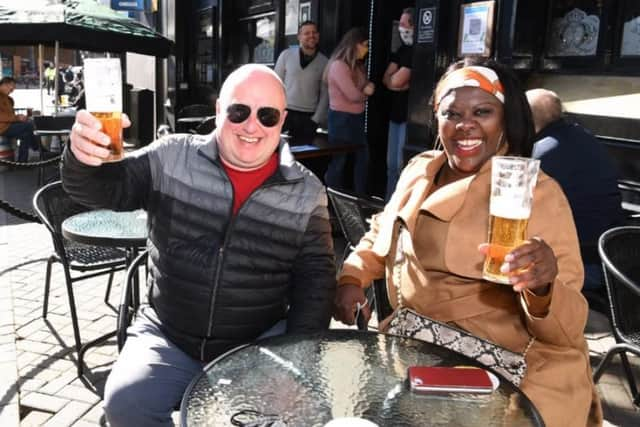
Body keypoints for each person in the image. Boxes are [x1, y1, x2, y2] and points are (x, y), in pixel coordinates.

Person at [61, 64, 337, 426]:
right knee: (125, 404)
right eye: (239, 111)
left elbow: (315, 280)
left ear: (282, 120)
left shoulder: (306, 191)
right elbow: (102, 188)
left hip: (256, 340)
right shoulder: (172, 157)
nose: (251, 126)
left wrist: (297, 359)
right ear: (219, 109)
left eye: (267, 115)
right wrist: (82, 158)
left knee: (294, 413)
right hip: (169, 332)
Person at [333, 58, 602, 426]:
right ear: (436, 118)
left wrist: (542, 288)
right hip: (414, 349)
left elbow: (568, 327)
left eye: (482, 111)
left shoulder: (535, 192)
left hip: (509, 370)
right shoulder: (420, 169)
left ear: (505, 119)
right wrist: (352, 277)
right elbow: (382, 230)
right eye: (452, 113)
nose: (465, 125)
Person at [526, 88, 624, 292]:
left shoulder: (542, 155)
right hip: (612, 261)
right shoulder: (586, 138)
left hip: (581, 267)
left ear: (526, 118)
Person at [324, 27, 375, 195]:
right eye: (365, 45)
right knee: (339, 161)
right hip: (341, 119)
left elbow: (367, 86)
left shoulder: (357, 66)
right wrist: (365, 93)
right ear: (355, 45)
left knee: (362, 158)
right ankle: (331, 197)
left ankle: (360, 197)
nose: (367, 49)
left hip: (356, 118)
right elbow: (354, 94)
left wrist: (365, 90)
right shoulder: (338, 65)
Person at [274, 20, 329, 139]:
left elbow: (325, 93)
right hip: (285, 113)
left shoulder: (324, 62)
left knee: (307, 155)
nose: (311, 36)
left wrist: (316, 119)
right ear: (299, 37)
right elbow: (275, 84)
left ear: (318, 36)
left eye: (314, 32)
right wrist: (277, 111)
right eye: (307, 33)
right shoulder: (286, 55)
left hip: (309, 117)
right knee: (281, 153)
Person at [383, 8, 414, 200]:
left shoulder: (415, 51)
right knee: (391, 165)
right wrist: (396, 83)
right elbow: (386, 79)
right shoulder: (401, 51)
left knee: (403, 165)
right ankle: (388, 203)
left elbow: (393, 81)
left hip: (410, 117)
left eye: (404, 24)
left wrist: (394, 82)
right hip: (395, 114)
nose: (401, 28)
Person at [0, 77, 40, 162]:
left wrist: (20, 117)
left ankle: (22, 162)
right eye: (12, 87)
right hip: (2, 127)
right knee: (28, 126)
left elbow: (9, 115)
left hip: (8, 125)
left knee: (25, 134)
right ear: (5, 84)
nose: (13, 90)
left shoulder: (8, 99)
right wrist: (17, 118)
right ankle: (38, 148)